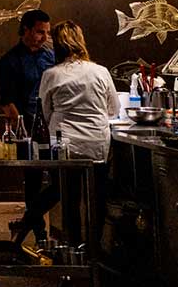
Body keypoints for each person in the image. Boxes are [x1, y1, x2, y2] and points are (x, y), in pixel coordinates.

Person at [13, 21, 118, 245]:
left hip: (64, 145)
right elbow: (113, 109)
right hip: (96, 144)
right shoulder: (100, 72)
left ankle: (73, 252)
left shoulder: (51, 75)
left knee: (68, 199)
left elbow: (45, 113)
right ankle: (94, 253)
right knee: (96, 201)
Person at [0, 9, 54, 242]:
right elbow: (7, 102)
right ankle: (38, 232)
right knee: (33, 179)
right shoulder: (8, 61)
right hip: (28, 126)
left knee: (60, 180)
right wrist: (22, 132)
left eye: (47, 33)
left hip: (54, 123)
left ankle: (28, 223)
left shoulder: (52, 56)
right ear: (26, 30)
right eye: (40, 32)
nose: (44, 37)